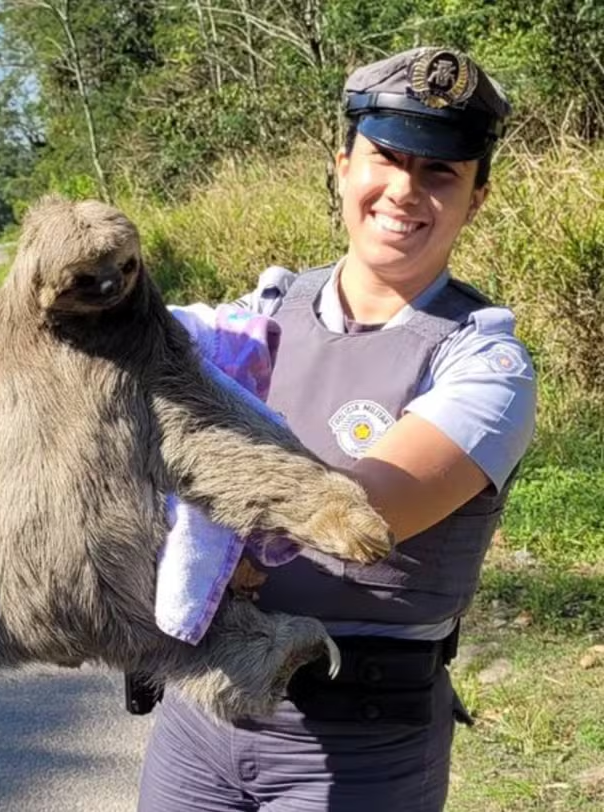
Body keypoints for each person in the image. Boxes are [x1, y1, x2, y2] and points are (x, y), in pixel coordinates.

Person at [135, 46, 537, 811]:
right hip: (199, 717)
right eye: (385, 158)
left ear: (477, 197)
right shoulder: (257, 318)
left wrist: (189, 517)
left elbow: (356, 513)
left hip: (359, 745)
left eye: (440, 173)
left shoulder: (485, 365)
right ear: (342, 166)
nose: (404, 190)